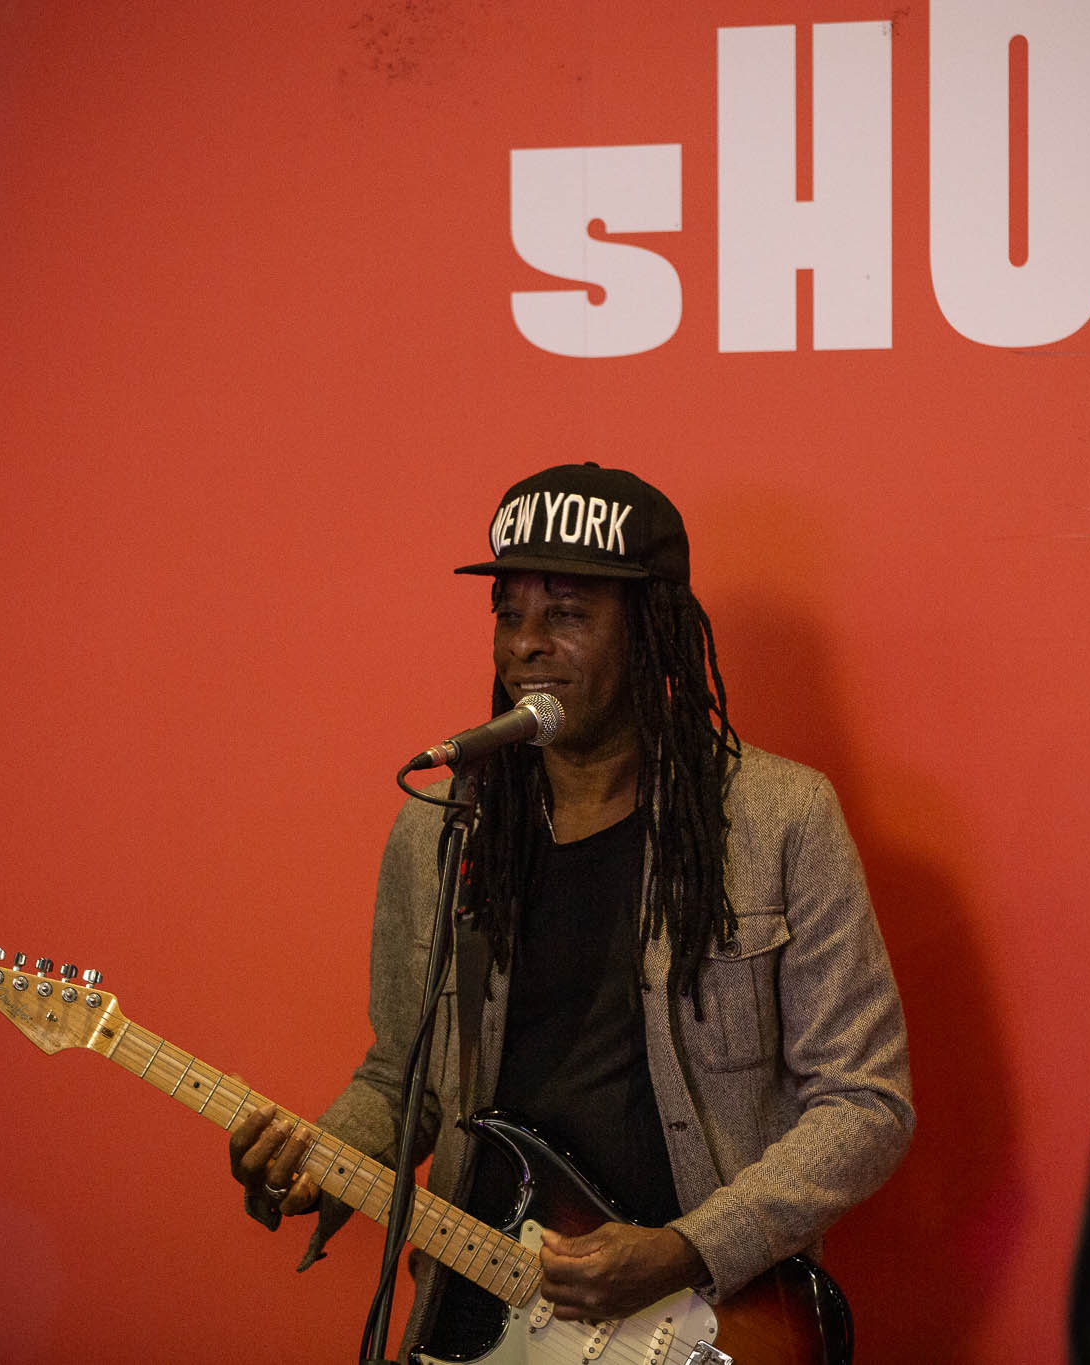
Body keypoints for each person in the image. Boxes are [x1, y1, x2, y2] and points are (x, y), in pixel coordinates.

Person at [227, 462, 913, 1358]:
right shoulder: (442, 828)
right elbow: (403, 1077)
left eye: (567, 614)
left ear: (652, 631)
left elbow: (865, 1101)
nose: (526, 644)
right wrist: (317, 1158)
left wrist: (688, 1248)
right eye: (508, 614)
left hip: (698, 1327)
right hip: (478, 1312)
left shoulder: (780, 818)